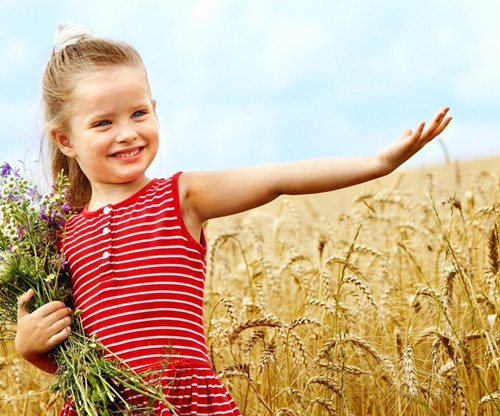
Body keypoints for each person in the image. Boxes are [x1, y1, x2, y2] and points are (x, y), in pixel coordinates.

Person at [14, 22, 452, 416]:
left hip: (184, 402)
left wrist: (376, 164)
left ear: (155, 107)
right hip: (105, 406)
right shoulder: (59, 234)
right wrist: (29, 347)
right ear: (65, 139)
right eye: (103, 123)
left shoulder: (179, 197)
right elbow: (71, 355)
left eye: (139, 113)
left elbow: (276, 179)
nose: (127, 132)